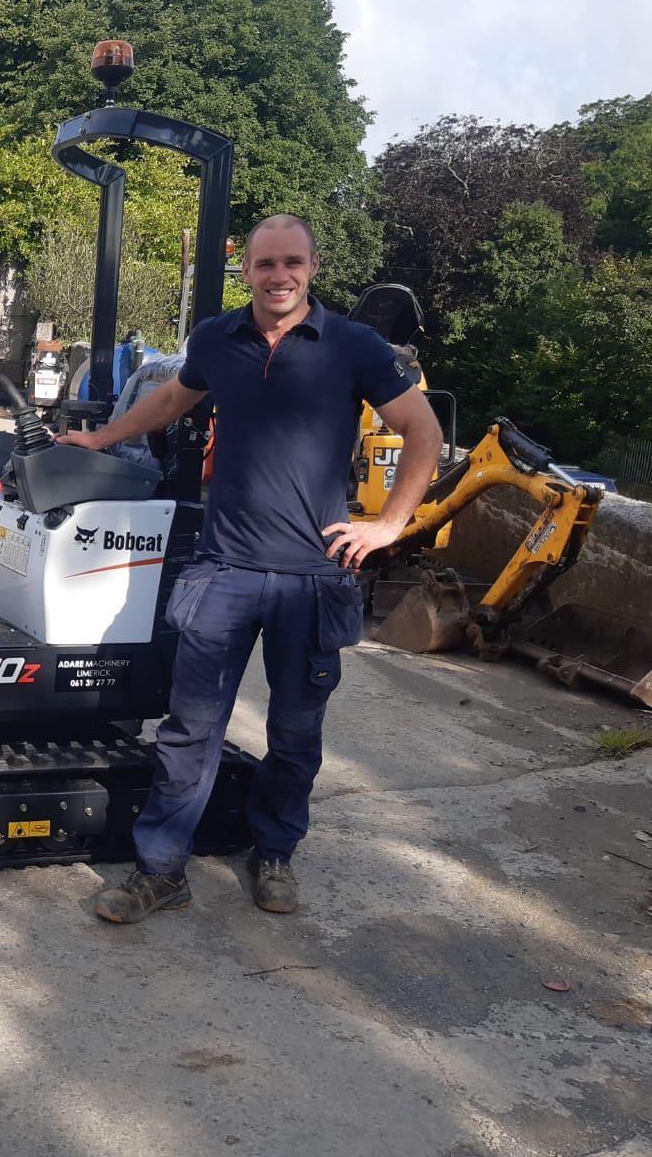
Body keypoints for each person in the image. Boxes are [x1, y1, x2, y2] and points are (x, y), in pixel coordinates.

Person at [59, 214, 441, 922]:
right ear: (248, 272)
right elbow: (172, 398)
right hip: (225, 570)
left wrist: (390, 523)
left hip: (312, 577)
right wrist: (105, 436)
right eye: (265, 264)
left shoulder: (352, 346)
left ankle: (274, 853)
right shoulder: (215, 338)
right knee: (189, 731)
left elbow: (423, 430)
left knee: (294, 734)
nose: (278, 276)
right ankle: (161, 871)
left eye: (292, 262)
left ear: (313, 268)